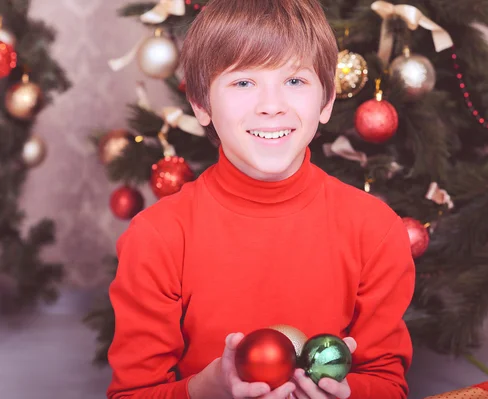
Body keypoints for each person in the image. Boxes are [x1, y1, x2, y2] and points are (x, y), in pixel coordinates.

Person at [106, 0, 416, 398]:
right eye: (243, 82)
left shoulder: (374, 229)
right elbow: (133, 393)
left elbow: (388, 385)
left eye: (294, 81)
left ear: (326, 102)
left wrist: (349, 392)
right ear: (201, 104)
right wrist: (205, 390)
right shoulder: (158, 237)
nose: (272, 106)